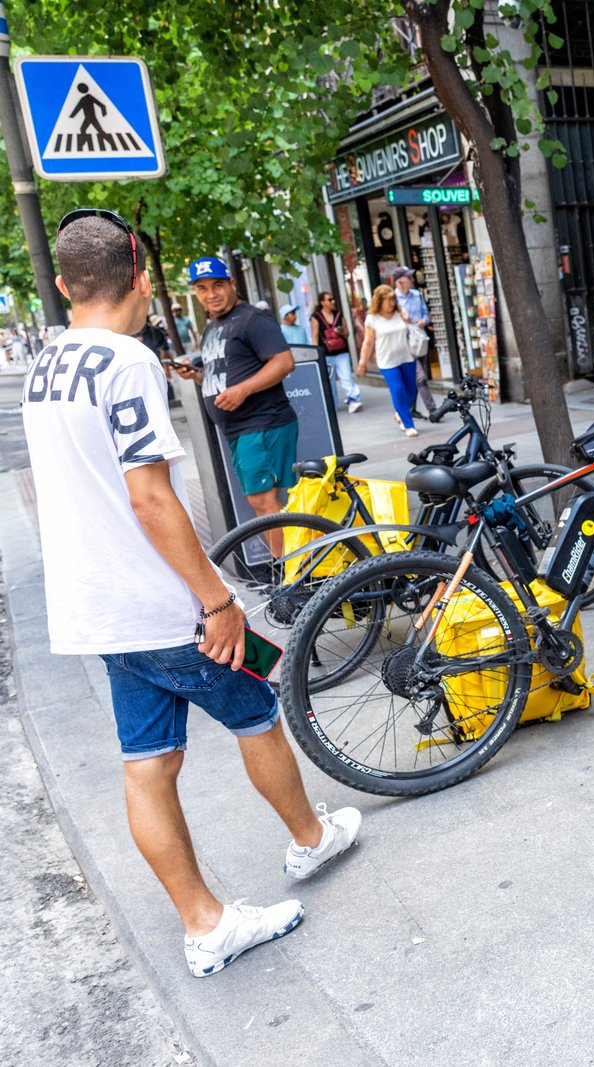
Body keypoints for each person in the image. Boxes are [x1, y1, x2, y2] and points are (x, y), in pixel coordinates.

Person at [19, 210, 360, 979]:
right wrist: (216, 599)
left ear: (66, 286)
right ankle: (311, 839)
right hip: (162, 603)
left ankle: (203, 924)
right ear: (141, 278)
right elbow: (150, 496)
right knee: (258, 708)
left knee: (147, 762)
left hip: (97, 610)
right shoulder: (126, 361)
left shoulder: (47, 363)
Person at [172, 257, 299, 557]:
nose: (211, 294)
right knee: (262, 503)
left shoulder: (253, 319)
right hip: (241, 430)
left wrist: (243, 389)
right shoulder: (212, 327)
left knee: (264, 502)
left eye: (217, 285)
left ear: (231, 284)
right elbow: (222, 376)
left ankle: (290, 574)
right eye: (202, 288)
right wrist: (197, 376)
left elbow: (284, 362)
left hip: (262, 423)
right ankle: (291, 569)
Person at [357, 283, 420, 438]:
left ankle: (400, 413)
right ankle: (408, 424)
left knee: (411, 390)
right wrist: (363, 362)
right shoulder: (372, 319)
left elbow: (412, 330)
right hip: (387, 362)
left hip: (407, 357)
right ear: (379, 301)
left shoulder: (400, 313)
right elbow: (368, 342)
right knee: (398, 390)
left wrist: (408, 320)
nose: (392, 303)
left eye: (393, 300)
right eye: (388, 300)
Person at [391, 267, 438, 419]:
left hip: (419, 341)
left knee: (415, 378)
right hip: (403, 344)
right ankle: (433, 410)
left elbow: (426, 315)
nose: (412, 280)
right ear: (399, 282)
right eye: (408, 278)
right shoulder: (392, 299)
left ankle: (410, 409)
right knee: (420, 378)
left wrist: (424, 321)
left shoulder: (417, 295)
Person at [311, 291, 361, 414]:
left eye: (333, 299)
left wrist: (341, 332)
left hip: (341, 352)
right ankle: (332, 405)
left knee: (346, 377)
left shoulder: (338, 314)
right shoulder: (316, 317)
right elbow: (315, 336)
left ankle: (353, 400)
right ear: (322, 302)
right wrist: (316, 354)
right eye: (329, 299)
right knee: (329, 381)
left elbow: (347, 334)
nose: (333, 301)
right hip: (326, 354)